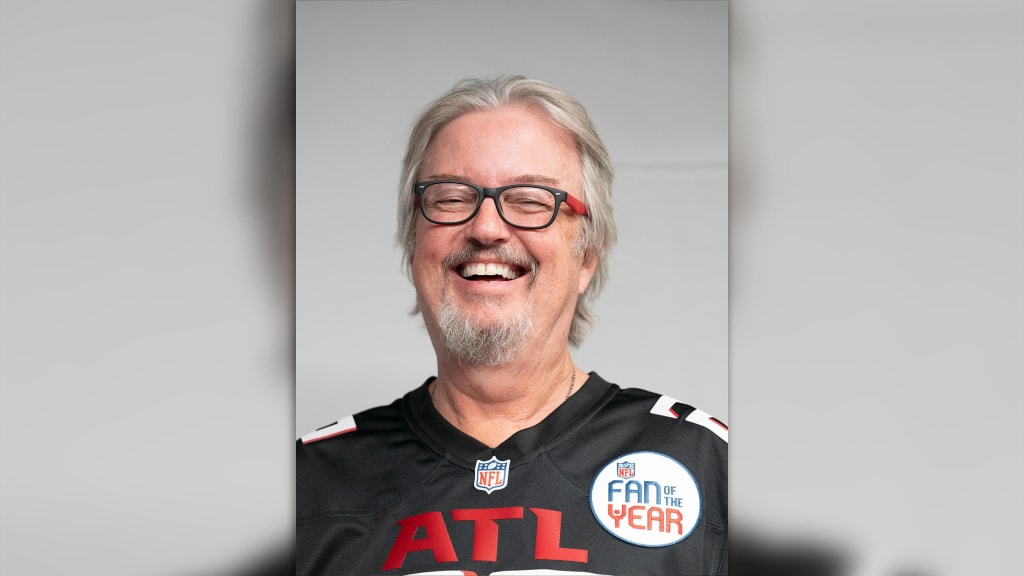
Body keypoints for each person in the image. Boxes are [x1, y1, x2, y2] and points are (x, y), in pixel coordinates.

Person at [297, 75, 728, 575]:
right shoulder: (306, 483)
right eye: (451, 197)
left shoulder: (707, 466)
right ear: (414, 245)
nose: (485, 228)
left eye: (530, 200)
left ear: (587, 254)